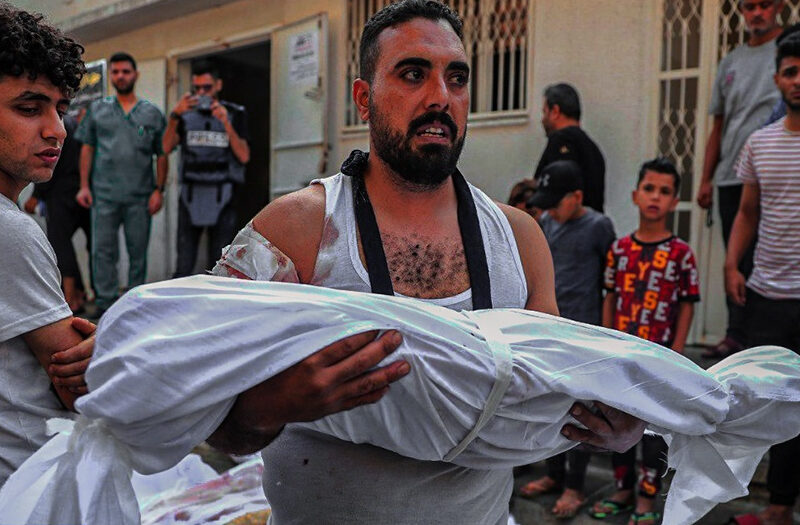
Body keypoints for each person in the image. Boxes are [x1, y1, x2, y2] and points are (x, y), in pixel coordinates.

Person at [207, 2, 645, 523]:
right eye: (413, 74)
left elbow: (545, 405)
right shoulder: (293, 233)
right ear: (363, 99)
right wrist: (273, 404)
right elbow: (208, 414)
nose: (440, 97)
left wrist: (610, 428)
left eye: (455, 78)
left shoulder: (521, 240)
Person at [0, 3, 96, 487]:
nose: (56, 129)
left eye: (60, 110)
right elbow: (84, 389)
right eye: (28, 108)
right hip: (24, 487)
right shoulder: (9, 231)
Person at [596, 158, 700, 525]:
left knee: (655, 431)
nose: (656, 197)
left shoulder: (682, 254)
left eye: (665, 191)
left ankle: (646, 499)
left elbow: (687, 304)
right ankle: (623, 489)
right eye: (650, 189)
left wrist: (678, 352)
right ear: (635, 196)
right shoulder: (619, 250)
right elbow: (609, 295)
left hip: (660, 358)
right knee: (617, 421)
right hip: (621, 355)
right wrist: (607, 341)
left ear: (674, 202)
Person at [725, 33, 800, 525]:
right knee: (769, 404)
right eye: (791, 71)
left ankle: (782, 502)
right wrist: (733, 265)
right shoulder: (759, 143)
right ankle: (773, 500)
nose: (799, 81)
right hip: (768, 295)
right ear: (778, 79)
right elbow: (747, 212)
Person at [518, 160, 616, 518]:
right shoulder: (546, 224)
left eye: (557, 202)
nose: (550, 210)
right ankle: (553, 476)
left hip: (584, 333)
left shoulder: (599, 227)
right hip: (551, 332)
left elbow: (610, 280)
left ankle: (575, 487)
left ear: (577, 196)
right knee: (550, 408)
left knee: (581, 412)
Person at [696, 0, 783, 359]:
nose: (756, 13)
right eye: (749, 7)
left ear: (777, 7)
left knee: (769, 253)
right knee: (736, 255)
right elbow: (719, 124)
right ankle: (736, 335)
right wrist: (705, 177)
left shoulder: (788, 51)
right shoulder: (731, 61)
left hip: (774, 171)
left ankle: (766, 339)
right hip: (732, 173)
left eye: (764, 5)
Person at [75, 52, 168, 316]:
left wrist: (158, 191)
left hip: (140, 196)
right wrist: (84, 186)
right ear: (111, 76)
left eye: (125, 71)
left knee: (138, 252)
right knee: (103, 251)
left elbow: (161, 155)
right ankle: (105, 304)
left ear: (135, 75)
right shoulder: (98, 110)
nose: (120, 76)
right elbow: (87, 148)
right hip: (103, 194)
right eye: (115, 72)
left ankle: (135, 305)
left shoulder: (151, 113)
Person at [162, 59, 250, 277]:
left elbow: (244, 155)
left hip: (223, 193)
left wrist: (226, 124)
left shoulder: (235, 113)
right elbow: (165, 147)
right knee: (184, 260)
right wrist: (175, 115)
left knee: (221, 261)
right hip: (191, 193)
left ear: (218, 85)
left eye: (207, 88)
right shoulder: (185, 114)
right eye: (197, 88)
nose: (202, 93)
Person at [24, 108, 91, 313]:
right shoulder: (77, 127)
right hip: (84, 191)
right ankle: (80, 292)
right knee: (91, 246)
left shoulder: (58, 129)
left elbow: (50, 162)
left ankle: (71, 298)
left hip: (61, 192)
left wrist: (36, 195)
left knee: (60, 244)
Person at [534, 83, 605, 212]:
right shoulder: (592, 148)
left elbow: (554, 189)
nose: (542, 119)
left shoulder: (561, 140)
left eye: (544, 112)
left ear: (555, 111)